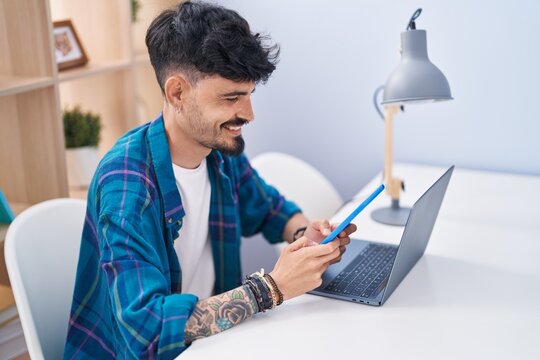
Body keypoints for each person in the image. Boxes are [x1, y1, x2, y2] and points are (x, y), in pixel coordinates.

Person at [63, 1, 356, 359]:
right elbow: (148, 332)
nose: (248, 114)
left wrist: (307, 237)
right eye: (231, 98)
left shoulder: (217, 151)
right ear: (177, 93)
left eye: (248, 95)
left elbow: (270, 211)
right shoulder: (126, 186)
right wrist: (270, 289)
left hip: (215, 346)